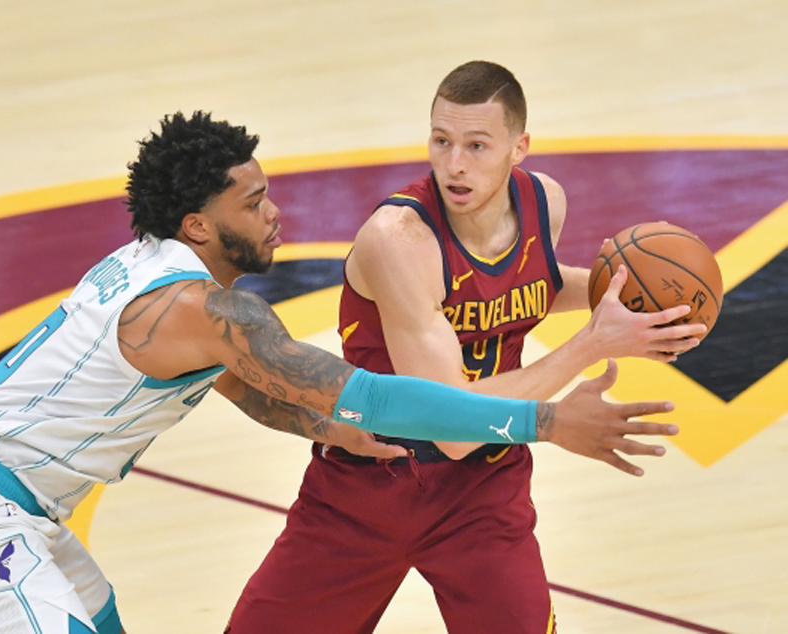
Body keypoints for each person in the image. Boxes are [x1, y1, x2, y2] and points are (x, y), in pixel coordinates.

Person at [0, 110, 678, 634]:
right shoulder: (207, 310)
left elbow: (254, 392)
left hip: (9, 504)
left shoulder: (160, 276)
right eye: (253, 202)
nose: (274, 212)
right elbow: (370, 393)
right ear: (200, 223)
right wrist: (545, 417)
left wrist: (326, 428)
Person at [226, 62, 706, 634]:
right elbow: (449, 427)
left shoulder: (543, 203)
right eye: (441, 140)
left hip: (484, 490)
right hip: (369, 484)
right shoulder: (397, 242)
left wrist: (628, 306)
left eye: (477, 145)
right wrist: (591, 344)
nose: (455, 164)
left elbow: (530, 288)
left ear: (518, 147)